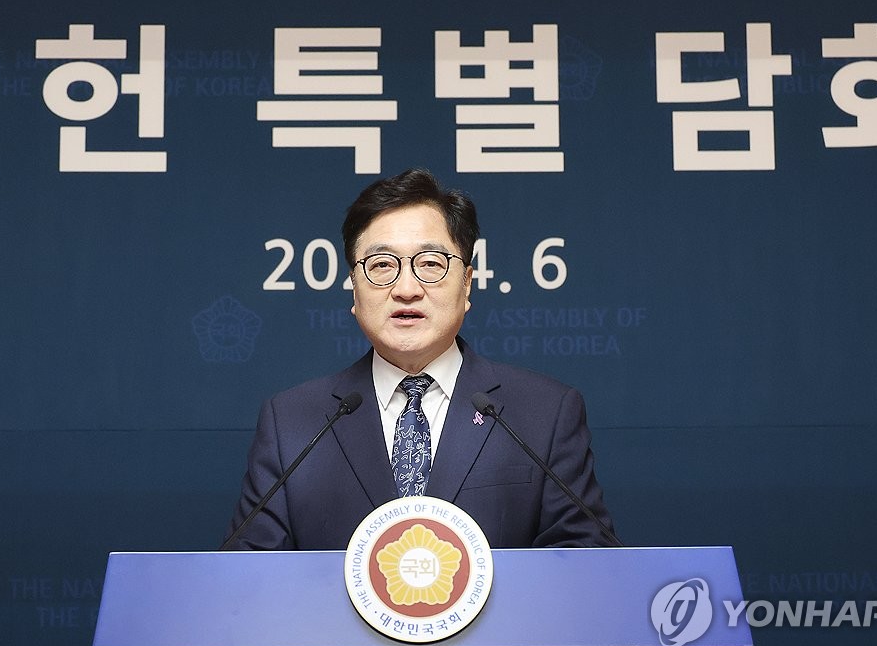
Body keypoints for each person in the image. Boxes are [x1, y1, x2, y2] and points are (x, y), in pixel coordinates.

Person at [225, 168, 614, 550]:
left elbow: (584, 558)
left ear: (467, 283)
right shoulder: (291, 422)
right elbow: (246, 573)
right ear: (354, 288)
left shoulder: (544, 412)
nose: (407, 288)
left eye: (430, 263)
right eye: (382, 265)